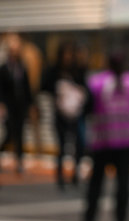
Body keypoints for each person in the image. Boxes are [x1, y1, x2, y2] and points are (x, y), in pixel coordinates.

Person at [82, 51, 129, 221]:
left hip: (103, 141)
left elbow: (88, 109)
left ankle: (89, 219)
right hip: (125, 141)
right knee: (123, 184)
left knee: (96, 183)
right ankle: (121, 220)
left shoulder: (97, 82)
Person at [41, 40, 89, 189]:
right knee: (62, 146)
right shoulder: (54, 71)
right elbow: (44, 86)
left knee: (79, 144)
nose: (68, 57)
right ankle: (61, 176)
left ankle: (74, 174)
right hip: (60, 114)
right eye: (65, 54)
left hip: (76, 114)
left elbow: (85, 90)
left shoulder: (78, 70)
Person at [0, 32, 33, 173]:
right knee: (9, 134)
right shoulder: (4, 68)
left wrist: (31, 104)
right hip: (9, 106)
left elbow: (27, 87)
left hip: (21, 105)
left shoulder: (21, 67)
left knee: (20, 133)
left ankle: (19, 162)